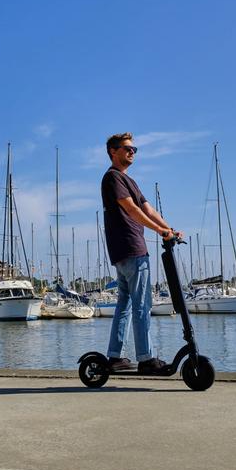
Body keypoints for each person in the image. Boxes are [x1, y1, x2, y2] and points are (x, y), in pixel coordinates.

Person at [101, 132, 183, 373]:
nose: (132, 152)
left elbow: (148, 208)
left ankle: (115, 356)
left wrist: (170, 229)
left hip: (125, 250)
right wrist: (159, 231)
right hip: (131, 247)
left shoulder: (130, 181)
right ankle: (146, 358)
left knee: (125, 305)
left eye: (134, 149)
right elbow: (132, 209)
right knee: (142, 304)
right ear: (113, 152)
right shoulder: (113, 178)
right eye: (127, 148)